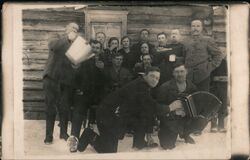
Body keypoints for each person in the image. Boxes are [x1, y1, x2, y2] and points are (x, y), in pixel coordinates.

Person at [67, 66, 183, 153]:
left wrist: (148, 132)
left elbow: (146, 111)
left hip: (117, 115)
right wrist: (170, 107)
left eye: (157, 78)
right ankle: (89, 134)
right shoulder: (141, 86)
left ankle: (139, 143)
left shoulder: (143, 86)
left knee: (140, 117)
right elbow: (152, 106)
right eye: (152, 76)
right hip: (107, 114)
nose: (155, 80)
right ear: (145, 75)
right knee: (109, 152)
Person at [43, 22, 79, 144]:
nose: (74, 30)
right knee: (50, 108)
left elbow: (75, 62)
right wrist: (67, 38)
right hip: (51, 79)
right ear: (66, 29)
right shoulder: (56, 38)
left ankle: (63, 133)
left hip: (65, 82)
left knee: (64, 108)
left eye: (76, 29)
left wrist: (76, 66)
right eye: (72, 28)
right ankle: (49, 136)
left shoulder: (75, 45)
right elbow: (54, 47)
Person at [69, 40, 106, 146]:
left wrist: (102, 69)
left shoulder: (104, 62)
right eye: (92, 47)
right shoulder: (80, 60)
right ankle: (73, 142)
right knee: (77, 115)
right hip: (83, 94)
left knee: (104, 114)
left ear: (100, 50)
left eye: (97, 47)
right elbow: (72, 77)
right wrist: (76, 89)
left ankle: (100, 142)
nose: (94, 49)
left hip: (97, 96)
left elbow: (107, 80)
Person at [156, 63, 197, 150]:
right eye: (177, 72)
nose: (180, 74)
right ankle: (165, 132)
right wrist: (172, 111)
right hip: (170, 119)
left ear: (186, 72)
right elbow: (158, 107)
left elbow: (196, 104)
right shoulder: (165, 87)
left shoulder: (192, 87)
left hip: (185, 117)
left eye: (182, 71)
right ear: (173, 73)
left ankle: (185, 133)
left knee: (200, 119)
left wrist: (186, 111)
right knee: (167, 145)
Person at [183, 19, 224, 91]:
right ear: (190, 28)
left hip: (203, 76)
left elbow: (218, 55)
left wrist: (210, 67)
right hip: (188, 76)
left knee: (202, 97)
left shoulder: (208, 40)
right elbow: (184, 56)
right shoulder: (186, 41)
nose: (195, 28)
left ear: (201, 28)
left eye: (198, 26)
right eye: (193, 26)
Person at [210, 57, 228, 133]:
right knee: (214, 104)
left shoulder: (227, 62)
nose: (222, 52)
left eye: (224, 50)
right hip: (214, 86)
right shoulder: (213, 61)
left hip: (225, 86)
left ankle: (221, 125)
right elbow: (210, 75)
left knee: (223, 105)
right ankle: (213, 125)